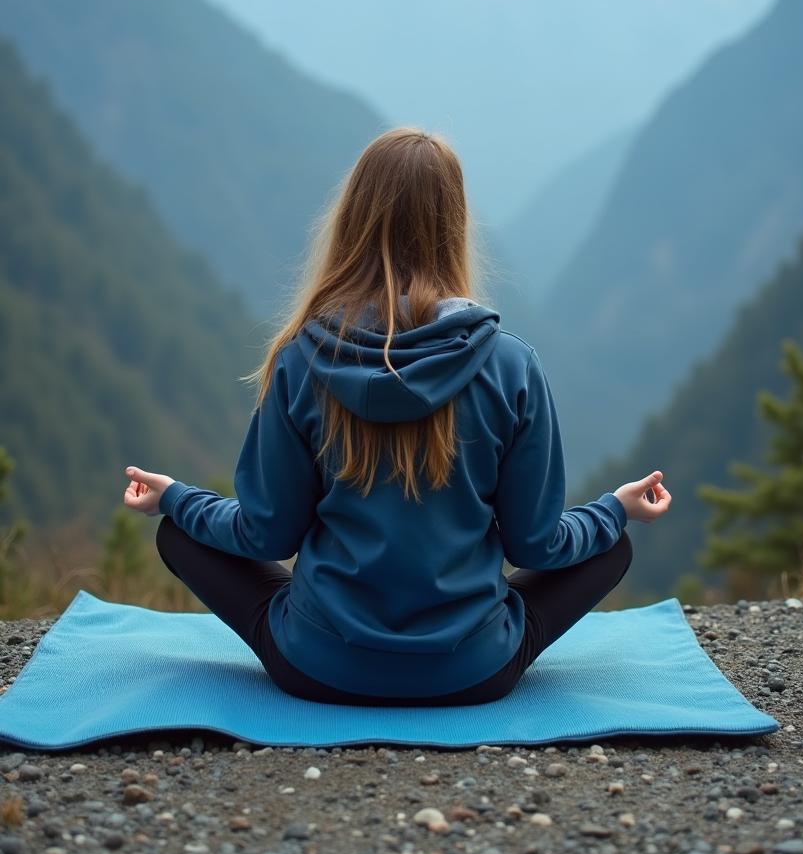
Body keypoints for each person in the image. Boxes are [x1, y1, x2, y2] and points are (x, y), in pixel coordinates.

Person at [123, 127, 671, 706]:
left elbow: (267, 534)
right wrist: (615, 510)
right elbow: (536, 547)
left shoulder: (301, 359)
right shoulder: (512, 365)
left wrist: (175, 498)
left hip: (317, 667)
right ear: (454, 225)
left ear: (353, 220)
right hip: (473, 673)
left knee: (180, 534)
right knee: (610, 545)